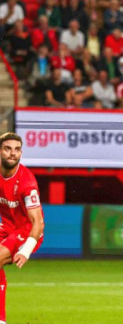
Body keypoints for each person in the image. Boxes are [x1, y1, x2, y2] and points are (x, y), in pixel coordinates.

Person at [0, 133, 45, 324]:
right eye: (8, 148)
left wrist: (26, 250)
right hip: (7, 226)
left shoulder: (26, 181)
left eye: (17, 149)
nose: (13, 153)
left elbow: (38, 222)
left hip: (27, 231)